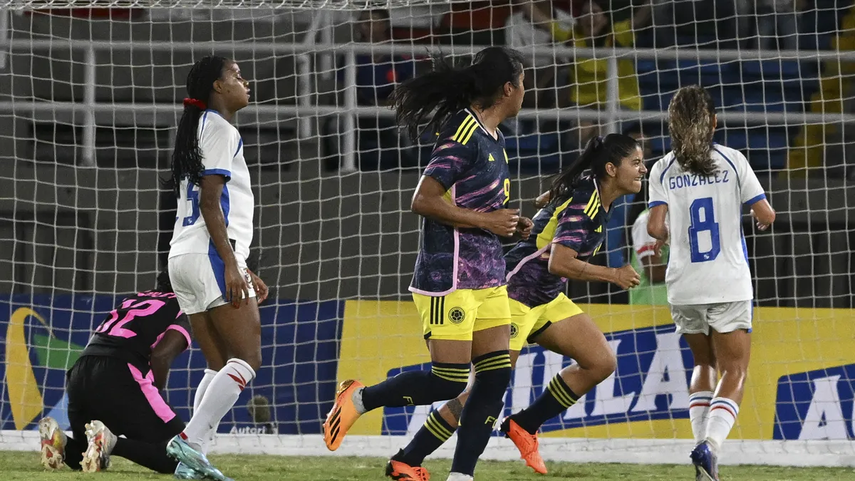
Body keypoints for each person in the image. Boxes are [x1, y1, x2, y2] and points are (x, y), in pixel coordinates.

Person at [323, 46, 532, 481]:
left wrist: (510, 224)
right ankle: (360, 398)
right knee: (450, 382)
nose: (526, 91)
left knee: (494, 379)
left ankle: (461, 476)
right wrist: (487, 220)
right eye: (524, 82)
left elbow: (482, 207)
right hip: (449, 275)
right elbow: (423, 199)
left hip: (489, 276)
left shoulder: (496, 139)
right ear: (508, 88)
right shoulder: (462, 131)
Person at [387, 134, 645, 479]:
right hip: (516, 297)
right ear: (612, 169)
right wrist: (613, 274)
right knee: (481, 391)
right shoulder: (586, 203)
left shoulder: (591, 187)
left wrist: (549, 205)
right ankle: (409, 457)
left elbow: (546, 198)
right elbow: (559, 262)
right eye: (637, 163)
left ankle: (524, 424)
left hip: (547, 297)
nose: (643, 168)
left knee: (600, 362)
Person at [646, 85, 776, 481]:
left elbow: (654, 228)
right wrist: (757, 217)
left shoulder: (662, 167)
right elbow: (766, 215)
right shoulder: (733, 160)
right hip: (728, 282)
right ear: (714, 122)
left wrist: (676, 235)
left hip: (684, 283)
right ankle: (711, 446)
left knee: (703, 363)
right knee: (734, 371)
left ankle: (705, 466)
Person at [165, 55, 269, 481]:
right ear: (217, 88)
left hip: (182, 256)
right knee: (247, 360)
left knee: (217, 363)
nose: (246, 82)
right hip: (210, 256)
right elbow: (212, 203)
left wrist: (240, 263)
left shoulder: (198, 128)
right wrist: (231, 263)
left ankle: (194, 459)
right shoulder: (221, 128)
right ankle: (190, 440)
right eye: (237, 77)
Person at [38, 272, 190, 475]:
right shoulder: (186, 307)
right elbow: (160, 357)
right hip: (121, 373)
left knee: (86, 454)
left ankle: (61, 443)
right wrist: (152, 395)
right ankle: (112, 442)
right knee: (182, 455)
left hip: (80, 371)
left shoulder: (136, 297)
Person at [627, 178, 668, 305]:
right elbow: (653, 273)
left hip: (674, 307)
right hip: (649, 307)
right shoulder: (646, 221)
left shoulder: (678, 218)